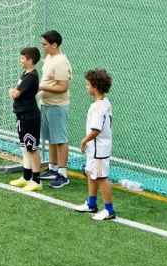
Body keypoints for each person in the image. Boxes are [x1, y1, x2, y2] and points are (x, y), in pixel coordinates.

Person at [73, 69, 116, 221]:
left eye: (88, 84)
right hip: (95, 148)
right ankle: (91, 204)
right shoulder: (103, 102)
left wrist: (84, 140)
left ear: (95, 87)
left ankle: (109, 210)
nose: (86, 87)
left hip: (99, 149)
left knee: (101, 178)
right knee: (90, 173)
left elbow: (96, 130)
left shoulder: (98, 107)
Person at [37, 29, 72, 189]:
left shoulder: (61, 62)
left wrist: (42, 87)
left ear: (54, 45)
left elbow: (63, 87)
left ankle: (63, 174)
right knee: (51, 138)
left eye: (45, 44)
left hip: (57, 106)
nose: (42, 47)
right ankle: (52, 168)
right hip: (46, 104)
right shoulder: (50, 57)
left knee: (60, 139)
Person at [7, 47, 43, 192]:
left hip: (30, 117)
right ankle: (26, 176)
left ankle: (36, 180)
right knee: (25, 147)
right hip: (22, 116)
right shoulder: (26, 74)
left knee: (32, 148)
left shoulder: (31, 77)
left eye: (23, 58)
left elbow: (16, 94)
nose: (20, 60)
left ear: (30, 60)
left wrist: (12, 92)